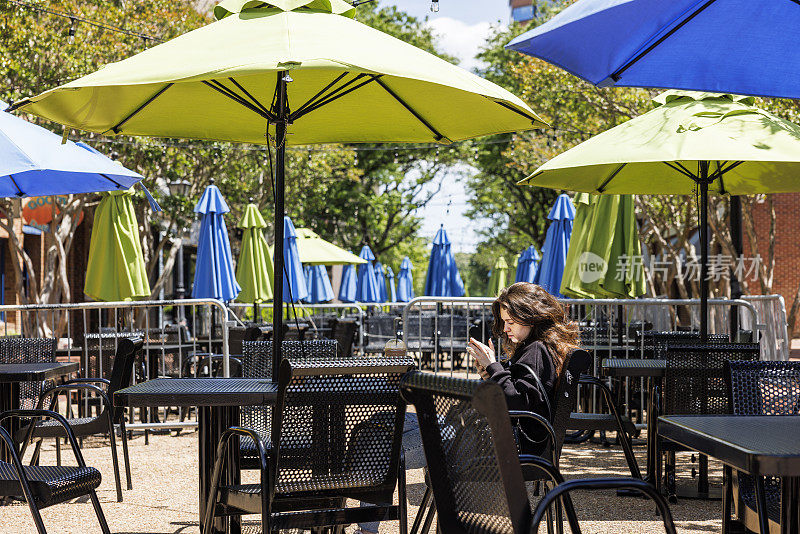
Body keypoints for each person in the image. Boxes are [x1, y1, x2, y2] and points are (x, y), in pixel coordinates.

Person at [467, 282, 578, 451]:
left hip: (517, 445)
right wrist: (491, 374)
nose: (505, 329)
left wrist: (493, 366)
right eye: (504, 322)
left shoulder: (536, 350)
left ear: (530, 317)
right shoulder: (539, 347)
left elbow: (516, 402)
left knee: (431, 436)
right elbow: (520, 394)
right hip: (522, 441)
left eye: (510, 322)